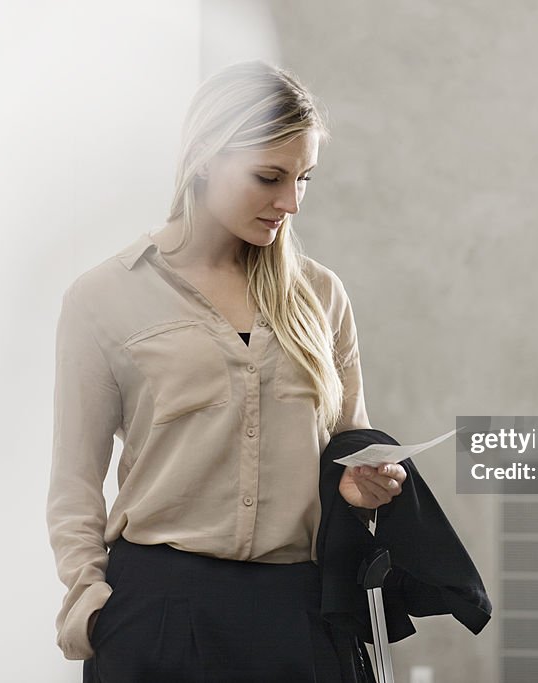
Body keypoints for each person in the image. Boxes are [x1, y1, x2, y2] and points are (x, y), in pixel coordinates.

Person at [46, 60, 406, 682]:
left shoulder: (321, 296)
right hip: (158, 614)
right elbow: (75, 480)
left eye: (304, 179)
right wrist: (91, 606)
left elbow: (351, 441)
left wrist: (363, 488)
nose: (290, 202)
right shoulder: (102, 297)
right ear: (207, 158)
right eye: (269, 177)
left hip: (300, 613)